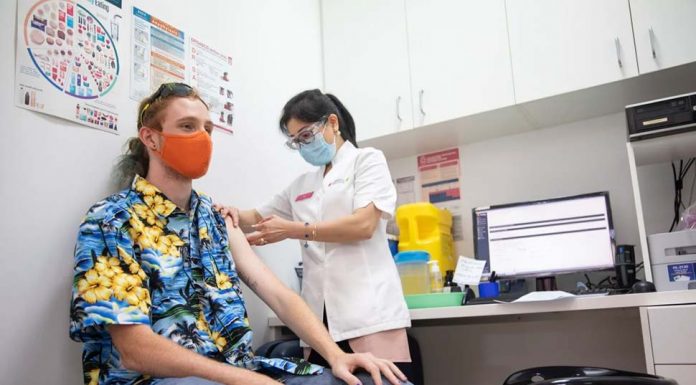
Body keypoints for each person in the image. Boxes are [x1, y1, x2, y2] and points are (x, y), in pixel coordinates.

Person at [69, 83, 409, 385]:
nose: (201, 138)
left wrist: (336, 356)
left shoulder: (212, 220)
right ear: (151, 138)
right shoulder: (110, 220)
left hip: (246, 365)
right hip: (166, 378)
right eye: (187, 127)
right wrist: (243, 380)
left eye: (207, 129)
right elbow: (135, 351)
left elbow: (279, 295)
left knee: (374, 381)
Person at [218, 90, 413, 378]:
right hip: (318, 323)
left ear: (332, 123)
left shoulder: (367, 161)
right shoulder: (302, 184)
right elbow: (255, 217)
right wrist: (224, 210)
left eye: (306, 135)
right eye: (296, 141)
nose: (303, 145)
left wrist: (293, 230)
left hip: (369, 316)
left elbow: (363, 225)